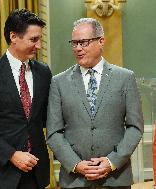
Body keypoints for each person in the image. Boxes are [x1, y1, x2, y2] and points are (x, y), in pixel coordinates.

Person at [46, 17, 143, 189]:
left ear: (101, 41)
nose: (77, 48)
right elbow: (54, 132)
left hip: (116, 178)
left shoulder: (125, 78)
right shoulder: (59, 82)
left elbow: (135, 127)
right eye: (74, 43)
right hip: (75, 180)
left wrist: (112, 161)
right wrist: (76, 164)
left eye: (83, 42)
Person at [0, 9, 52, 189]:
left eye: (39, 40)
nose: (39, 46)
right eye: (33, 40)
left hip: (35, 173)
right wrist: (12, 154)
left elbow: (47, 118)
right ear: (14, 36)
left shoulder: (43, 73)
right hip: (0, 174)